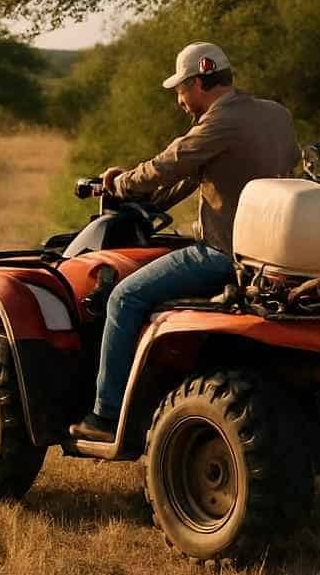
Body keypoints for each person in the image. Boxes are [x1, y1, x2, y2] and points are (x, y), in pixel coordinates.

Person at [69, 41, 299, 442]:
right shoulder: (275, 115)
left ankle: (105, 416)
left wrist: (121, 183)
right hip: (274, 256)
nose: (178, 99)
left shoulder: (218, 121)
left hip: (224, 255)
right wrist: (146, 195)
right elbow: (195, 174)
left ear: (198, 81)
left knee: (123, 298)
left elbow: (170, 162)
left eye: (180, 88)